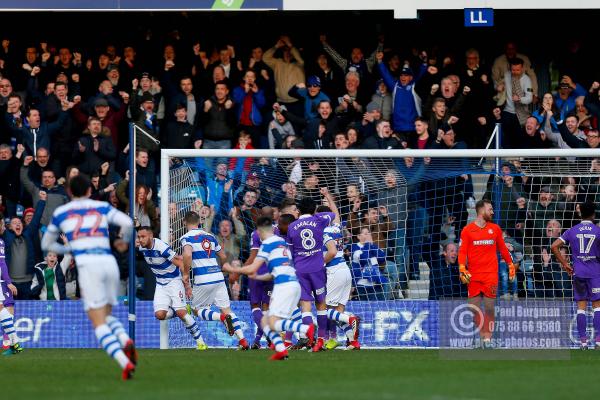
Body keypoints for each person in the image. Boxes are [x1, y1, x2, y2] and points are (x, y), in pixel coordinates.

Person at [40, 175, 136, 379]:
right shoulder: (101, 207)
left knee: (97, 321)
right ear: (89, 191)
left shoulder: (61, 212)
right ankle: (124, 339)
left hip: (88, 265)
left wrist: (67, 247)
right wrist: (124, 241)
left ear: (69, 192)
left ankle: (124, 362)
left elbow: (46, 244)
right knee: (106, 314)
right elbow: (128, 222)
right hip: (109, 263)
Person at [222, 216, 315, 361]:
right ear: (273, 228)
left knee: (271, 322)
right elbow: (274, 272)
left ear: (258, 231)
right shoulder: (282, 243)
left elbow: (253, 267)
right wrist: (258, 277)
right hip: (293, 284)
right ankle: (281, 350)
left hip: (284, 286)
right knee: (266, 321)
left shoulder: (266, 244)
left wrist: (231, 268)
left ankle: (306, 329)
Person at [179, 211, 249, 350]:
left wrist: (186, 274)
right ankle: (243, 341)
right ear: (199, 221)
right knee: (227, 309)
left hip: (203, 278)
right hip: (217, 276)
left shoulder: (186, 237)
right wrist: (222, 267)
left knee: (196, 310)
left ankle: (221, 318)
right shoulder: (210, 236)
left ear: (185, 222)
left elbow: (187, 254)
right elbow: (222, 255)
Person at [457, 199, 517, 349]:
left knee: (489, 307)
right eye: (490, 209)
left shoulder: (495, 229)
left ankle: (487, 339)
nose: (492, 212)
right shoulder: (467, 230)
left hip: (490, 275)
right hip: (474, 275)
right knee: (473, 308)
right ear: (481, 210)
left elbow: (503, 249)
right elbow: (463, 251)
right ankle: (484, 335)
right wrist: (462, 268)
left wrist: (510, 264)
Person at [136, 226, 206, 350]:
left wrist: (187, 284)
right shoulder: (142, 247)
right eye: (139, 237)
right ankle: (181, 310)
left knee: (182, 313)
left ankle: (201, 343)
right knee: (160, 315)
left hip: (174, 281)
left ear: (151, 236)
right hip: (160, 284)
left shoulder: (161, 247)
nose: (140, 240)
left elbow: (179, 262)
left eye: (143, 237)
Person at [285, 197, 334, 351]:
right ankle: (320, 341)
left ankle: (309, 340)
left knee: (305, 306)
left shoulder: (292, 226)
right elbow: (332, 214)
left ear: (298, 211)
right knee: (321, 305)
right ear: (313, 210)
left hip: (300, 270)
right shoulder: (319, 221)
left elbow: (289, 253)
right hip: (317, 268)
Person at [551, 202, 600, 349]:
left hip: (578, 272)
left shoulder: (572, 231)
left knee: (581, 308)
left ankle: (583, 342)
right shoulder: (597, 231)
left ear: (581, 214)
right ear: (593, 214)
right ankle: (598, 341)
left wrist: (565, 264)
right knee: (597, 307)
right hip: (595, 273)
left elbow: (554, 246)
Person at [318, 193, 360, 351]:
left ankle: (350, 319)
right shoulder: (336, 227)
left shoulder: (322, 232)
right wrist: (328, 195)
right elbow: (336, 214)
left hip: (334, 271)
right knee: (337, 311)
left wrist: (318, 263)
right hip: (345, 270)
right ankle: (352, 341)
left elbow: (331, 253)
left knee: (325, 309)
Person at [0, 232, 22, 356]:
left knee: (4, 308)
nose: (3, 227)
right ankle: (14, 343)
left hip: (2, 281)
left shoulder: (0, 242)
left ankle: (11, 342)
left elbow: (2, 263)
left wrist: (8, 282)